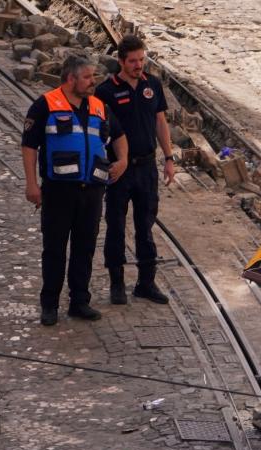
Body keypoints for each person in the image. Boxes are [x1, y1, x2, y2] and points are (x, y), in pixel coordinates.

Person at [22, 55, 128, 326]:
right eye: (88, 77)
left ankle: (80, 301)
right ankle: (50, 305)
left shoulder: (99, 106)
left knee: (85, 248)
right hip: (58, 191)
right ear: (71, 78)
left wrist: (123, 161)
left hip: (92, 191)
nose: (93, 82)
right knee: (54, 249)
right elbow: (29, 146)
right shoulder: (45, 105)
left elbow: (119, 135)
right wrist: (32, 184)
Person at [95, 35, 176, 306]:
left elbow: (160, 122)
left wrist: (169, 158)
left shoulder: (152, 84)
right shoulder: (106, 91)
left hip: (147, 167)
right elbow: (99, 132)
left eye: (142, 59)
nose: (139, 65)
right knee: (116, 226)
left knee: (146, 225)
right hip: (119, 170)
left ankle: (146, 282)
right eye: (133, 61)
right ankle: (117, 283)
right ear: (121, 61)